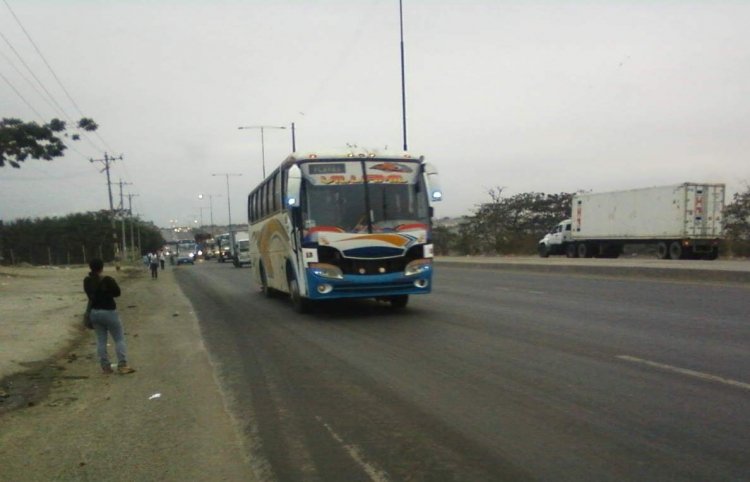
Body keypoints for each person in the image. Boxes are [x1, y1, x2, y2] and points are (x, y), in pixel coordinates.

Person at [83, 259, 135, 375]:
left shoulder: (87, 281)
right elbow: (117, 293)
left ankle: (105, 366)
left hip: (94, 313)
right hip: (109, 312)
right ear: (102, 267)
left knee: (101, 341)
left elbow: (89, 295)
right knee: (119, 339)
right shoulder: (107, 280)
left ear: (90, 267)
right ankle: (122, 365)